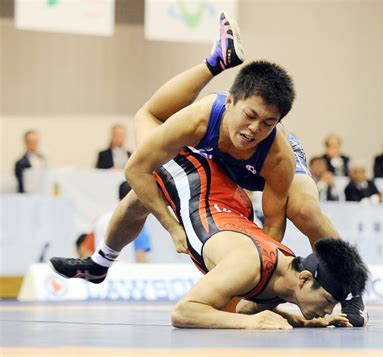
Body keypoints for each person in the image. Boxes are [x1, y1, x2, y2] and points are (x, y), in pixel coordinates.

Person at [49, 12, 366, 326]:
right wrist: (174, 229)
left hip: (257, 170)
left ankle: (353, 295)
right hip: (221, 165)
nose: (254, 129)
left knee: (304, 210)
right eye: (250, 116)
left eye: (268, 123)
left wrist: (251, 284)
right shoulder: (201, 118)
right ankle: (216, 62)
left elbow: (272, 225)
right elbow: (136, 170)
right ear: (230, 102)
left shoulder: (278, 154)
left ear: (278, 122)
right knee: (144, 154)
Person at [53, 148, 369, 329]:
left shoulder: (287, 275)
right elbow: (183, 312)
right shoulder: (247, 265)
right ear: (303, 279)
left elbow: (248, 306)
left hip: (233, 202)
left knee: (303, 209)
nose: (328, 311)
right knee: (139, 195)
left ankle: (99, 264)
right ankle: (101, 261)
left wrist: (297, 320)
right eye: (328, 302)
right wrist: (250, 326)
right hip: (189, 178)